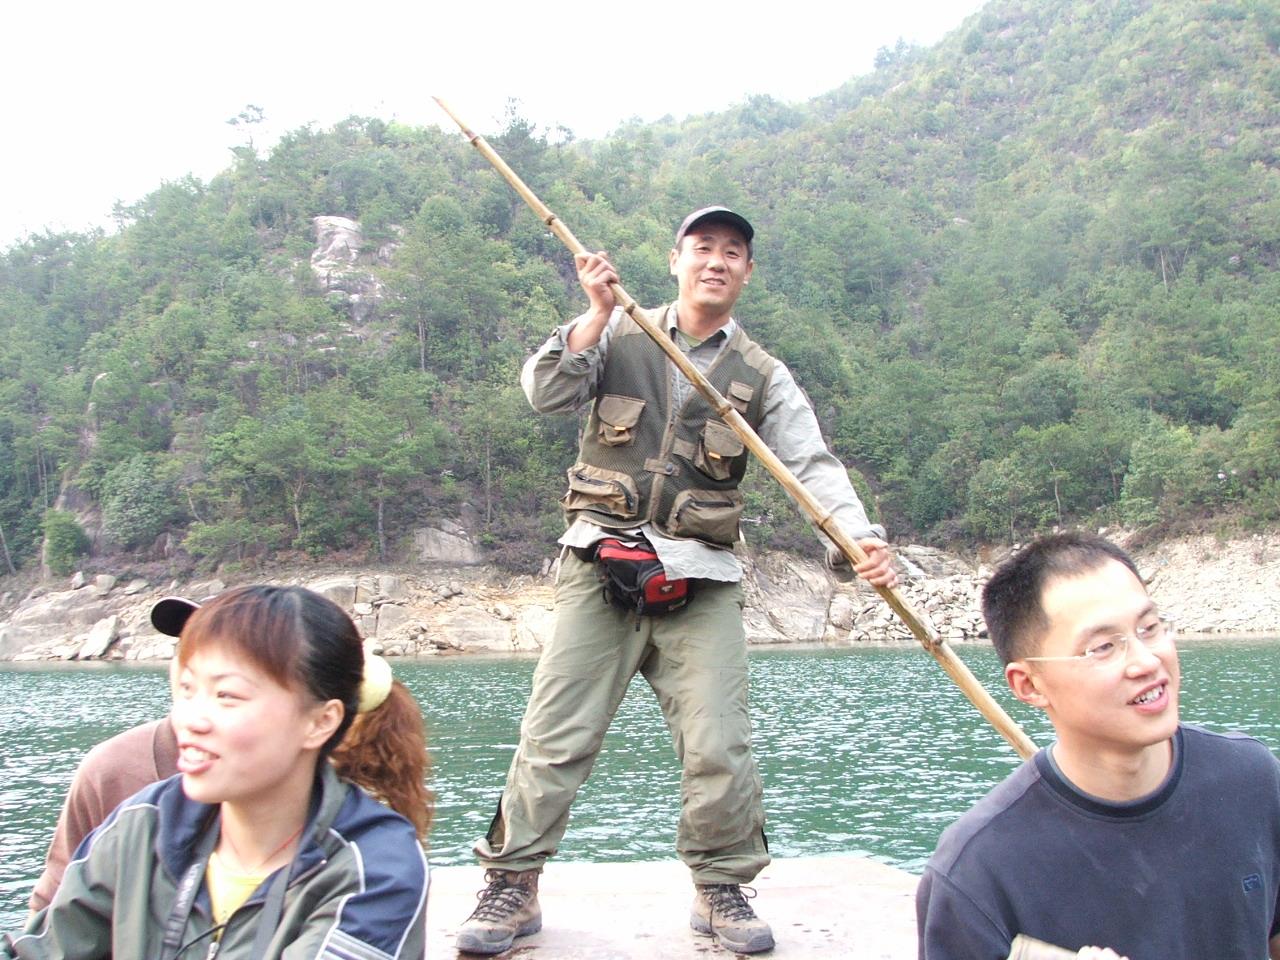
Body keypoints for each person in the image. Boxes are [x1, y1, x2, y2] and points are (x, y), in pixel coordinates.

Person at [456, 206, 897, 955]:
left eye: (732, 252)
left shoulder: (763, 374)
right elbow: (544, 392)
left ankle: (720, 886)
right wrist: (594, 313)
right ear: (675, 260)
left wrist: (856, 541)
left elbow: (811, 466)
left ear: (747, 272)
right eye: (702, 248)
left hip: (703, 578)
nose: (716, 261)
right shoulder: (618, 330)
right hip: (600, 562)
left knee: (719, 741)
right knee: (554, 735)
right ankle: (513, 882)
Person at [4, 586, 432, 960]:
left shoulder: (372, 867)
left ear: (321, 721)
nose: (190, 720)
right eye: (187, 690)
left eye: (227, 695)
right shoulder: (144, 824)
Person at [916, 532, 1280, 960]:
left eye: (1149, 628)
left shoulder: (1250, 779)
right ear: (1029, 685)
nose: (1146, 661)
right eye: (1103, 647)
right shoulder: (976, 870)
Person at [25, 597, 197, 916]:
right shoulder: (112, 768)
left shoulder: (296, 781)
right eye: (187, 647)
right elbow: (53, 911)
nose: (196, 665)